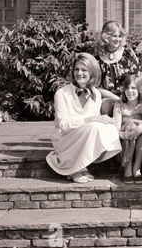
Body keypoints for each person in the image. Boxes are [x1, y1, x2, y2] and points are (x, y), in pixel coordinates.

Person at [46, 53, 122, 183]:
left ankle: (81, 164)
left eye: (84, 70)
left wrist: (108, 121)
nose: (79, 73)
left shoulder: (96, 94)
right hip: (65, 138)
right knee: (94, 126)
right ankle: (73, 168)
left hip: (85, 135)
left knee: (108, 129)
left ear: (92, 72)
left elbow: (95, 125)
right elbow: (64, 126)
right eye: (76, 69)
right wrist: (92, 120)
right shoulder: (62, 93)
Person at [113, 74, 142, 184]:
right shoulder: (119, 106)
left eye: (133, 88)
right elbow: (116, 129)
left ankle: (136, 168)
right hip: (123, 145)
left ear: (139, 89)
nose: (130, 91)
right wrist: (125, 134)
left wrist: (138, 129)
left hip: (141, 146)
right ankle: (127, 168)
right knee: (130, 125)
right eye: (127, 88)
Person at [95, 21, 140, 116]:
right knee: (107, 104)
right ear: (106, 37)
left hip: (129, 97)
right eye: (114, 36)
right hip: (108, 99)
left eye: (120, 36)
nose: (118, 39)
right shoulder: (97, 58)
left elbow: (137, 79)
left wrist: (126, 98)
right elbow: (95, 86)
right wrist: (115, 97)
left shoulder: (128, 54)